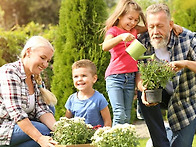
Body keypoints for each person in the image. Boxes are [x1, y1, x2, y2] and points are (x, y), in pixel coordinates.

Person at [136, 3, 196, 147]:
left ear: (170, 24)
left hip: (185, 99)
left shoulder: (189, 39)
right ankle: (160, 143)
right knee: (144, 92)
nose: (155, 31)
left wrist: (185, 63)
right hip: (158, 95)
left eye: (160, 26)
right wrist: (143, 88)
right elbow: (137, 73)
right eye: (151, 26)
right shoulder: (142, 42)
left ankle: (170, 133)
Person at [0, 36, 58, 147]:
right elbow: (17, 112)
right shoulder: (9, 72)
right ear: (28, 52)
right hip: (4, 128)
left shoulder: (35, 78)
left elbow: (42, 110)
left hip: (19, 128)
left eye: (48, 60)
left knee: (49, 138)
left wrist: (60, 130)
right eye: (42, 58)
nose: (45, 64)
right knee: (43, 131)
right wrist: (40, 138)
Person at [102, 0, 147, 126]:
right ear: (120, 15)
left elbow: (150, 26)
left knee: (127, 116)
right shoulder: (114, 31)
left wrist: (174, 26)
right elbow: (105, 46)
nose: (132, 23)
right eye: (130, 18)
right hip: (115, 77)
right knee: (119, 113)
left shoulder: (134, 30)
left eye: (136, 20)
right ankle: (114, 141)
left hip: (130, 77)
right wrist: (121, 37)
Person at [65, 59, 112, 127]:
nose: (79, 79)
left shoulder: (99, 99)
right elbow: (66, 121)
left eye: (84, 76)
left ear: (94, 79)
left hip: (95, 136)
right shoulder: (71, 99)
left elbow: (107, 122)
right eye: (76, 76)